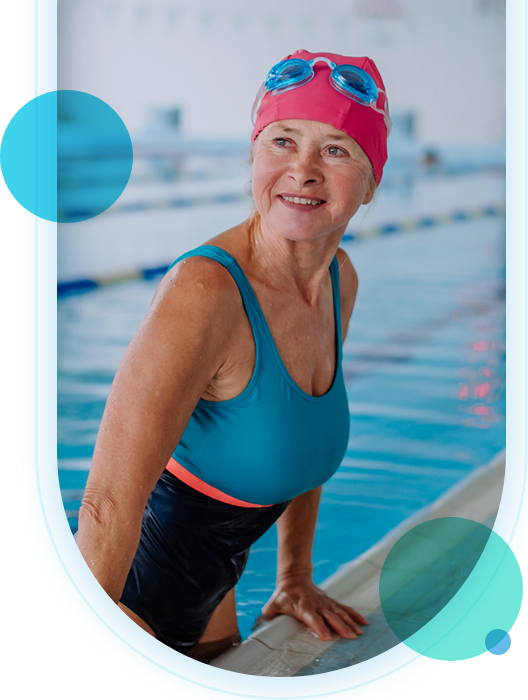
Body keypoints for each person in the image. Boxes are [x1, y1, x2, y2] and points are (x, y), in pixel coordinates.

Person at [76, 49, 390, 664]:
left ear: (372, 178)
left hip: (213, 588)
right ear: (253, 156)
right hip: (123, 597)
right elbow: (108, 501)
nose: (302, 171)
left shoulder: (336, 281)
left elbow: (301, 434)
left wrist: (294, 575)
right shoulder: (205, 293)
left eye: (335, 149)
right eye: (282, 140)